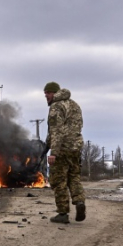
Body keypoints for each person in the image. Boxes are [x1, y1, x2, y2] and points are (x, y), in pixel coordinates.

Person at [44, 81, 86, 224]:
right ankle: (79, 201)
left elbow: (56, 131)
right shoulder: (74, 105)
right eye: (45, 93)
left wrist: (53, 152)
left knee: (58, 181)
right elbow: (77, 126)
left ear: (55, 93)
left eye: (48, 93)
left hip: (62, 149)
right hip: (76, 147)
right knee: (74, 177)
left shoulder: (56, 106)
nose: (46, 96)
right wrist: (46, 144)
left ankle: (63, 213)